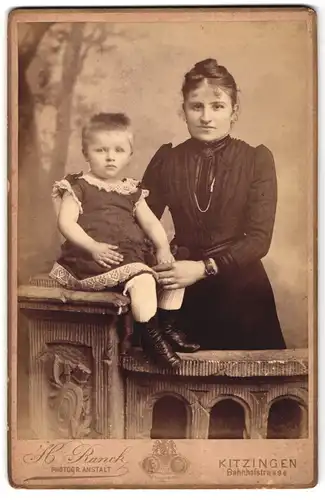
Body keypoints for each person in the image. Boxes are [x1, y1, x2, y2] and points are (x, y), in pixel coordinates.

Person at [142, 58, 286, 350]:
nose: (206, 117)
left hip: (242, 292)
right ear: (183, 110)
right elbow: (140, 222)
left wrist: (202, 268)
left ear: (234, 111)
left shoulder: (256, 160)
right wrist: (159, 258)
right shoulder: (166, 160)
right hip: (181, 290)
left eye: (217, 106)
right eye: (197, 106)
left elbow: (259, 239)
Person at [49, 113, 200, 368]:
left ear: (129, 155)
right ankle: (152, 338)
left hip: (130, 255)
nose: (110, 157)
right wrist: (93, 247)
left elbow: (151, 222)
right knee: (142, 279)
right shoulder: (79, 186)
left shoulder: (131, 190)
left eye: (119, 150)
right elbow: (66, 223)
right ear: (86, 153)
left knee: (172, 271)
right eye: (101, 150)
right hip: (93, 259)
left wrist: (163, 248)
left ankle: (167, 327)